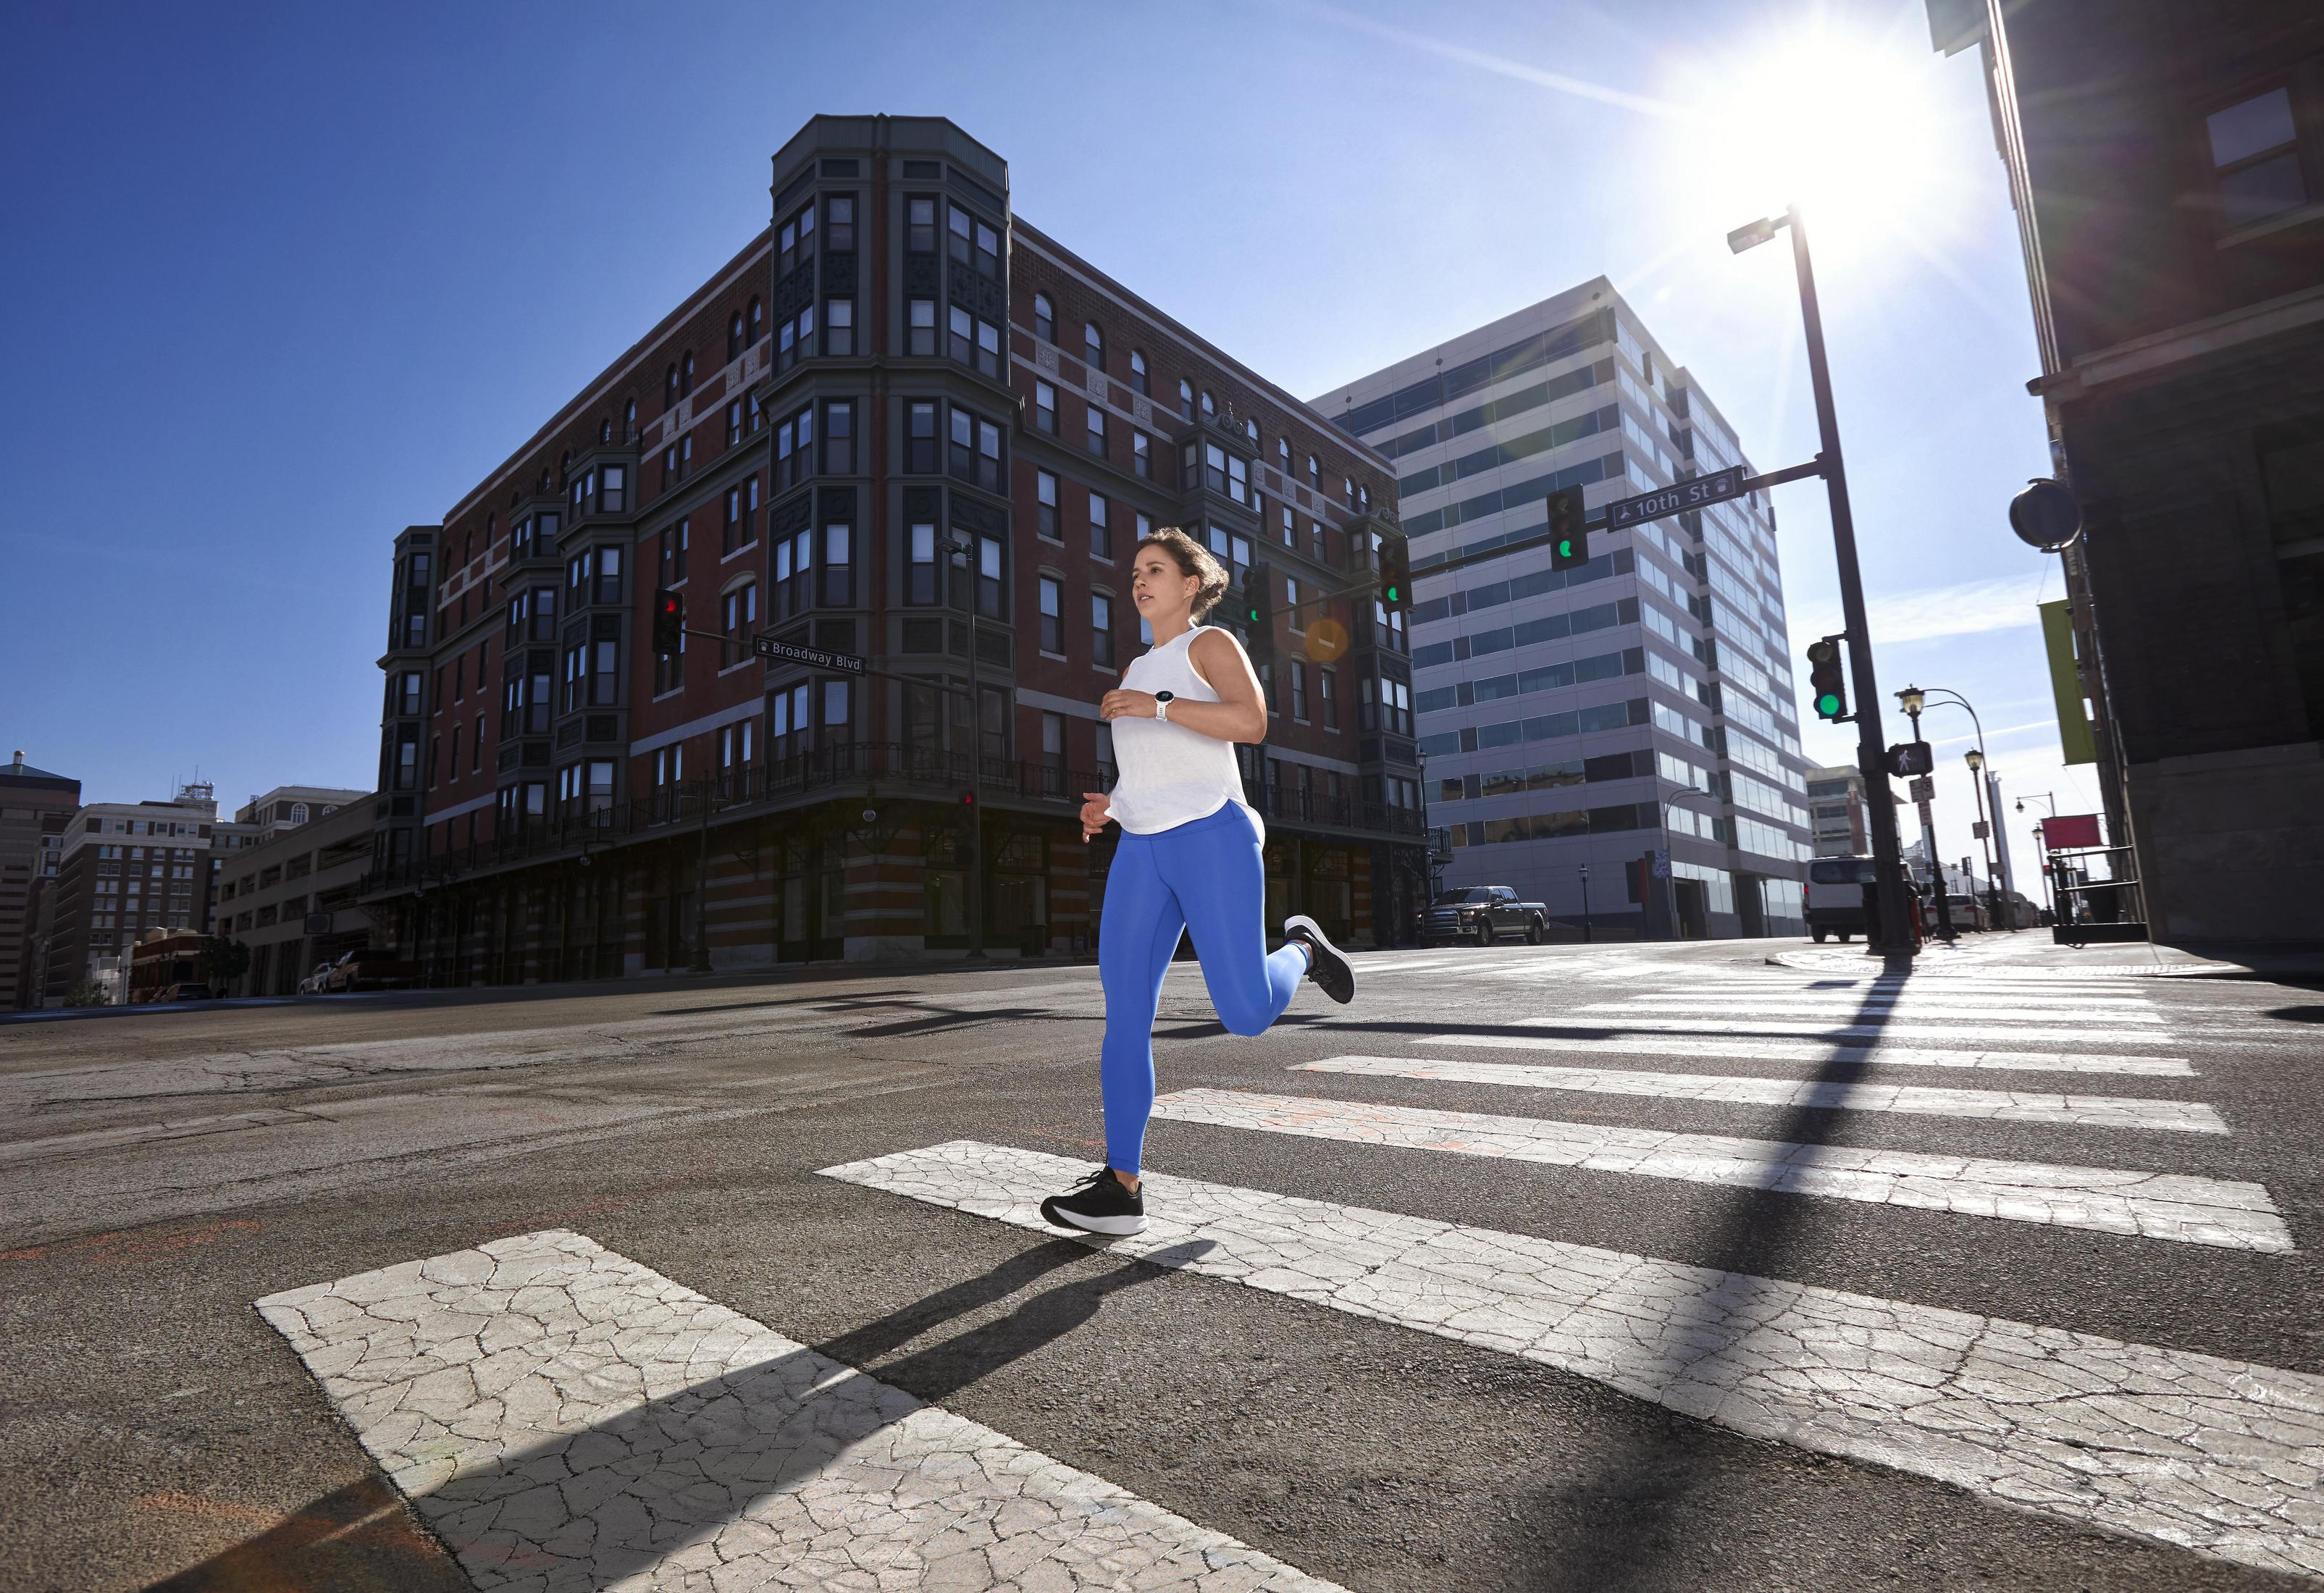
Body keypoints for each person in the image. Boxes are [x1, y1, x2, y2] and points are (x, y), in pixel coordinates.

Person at [1039, 527, 1355, 1237]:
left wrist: (1154, 705)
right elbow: (1155, 767)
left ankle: (1301, 950)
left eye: (1154, 569)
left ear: (1189, 585)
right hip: (1142, 851)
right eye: (1133, 572)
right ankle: (1121, 1188)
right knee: (1124, 1016)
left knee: (1243, 1013)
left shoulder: (1205, 646)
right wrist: (1110, 805)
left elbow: (1250, 721)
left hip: (1212, 836)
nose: (1138, 581)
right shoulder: (1133, 667)